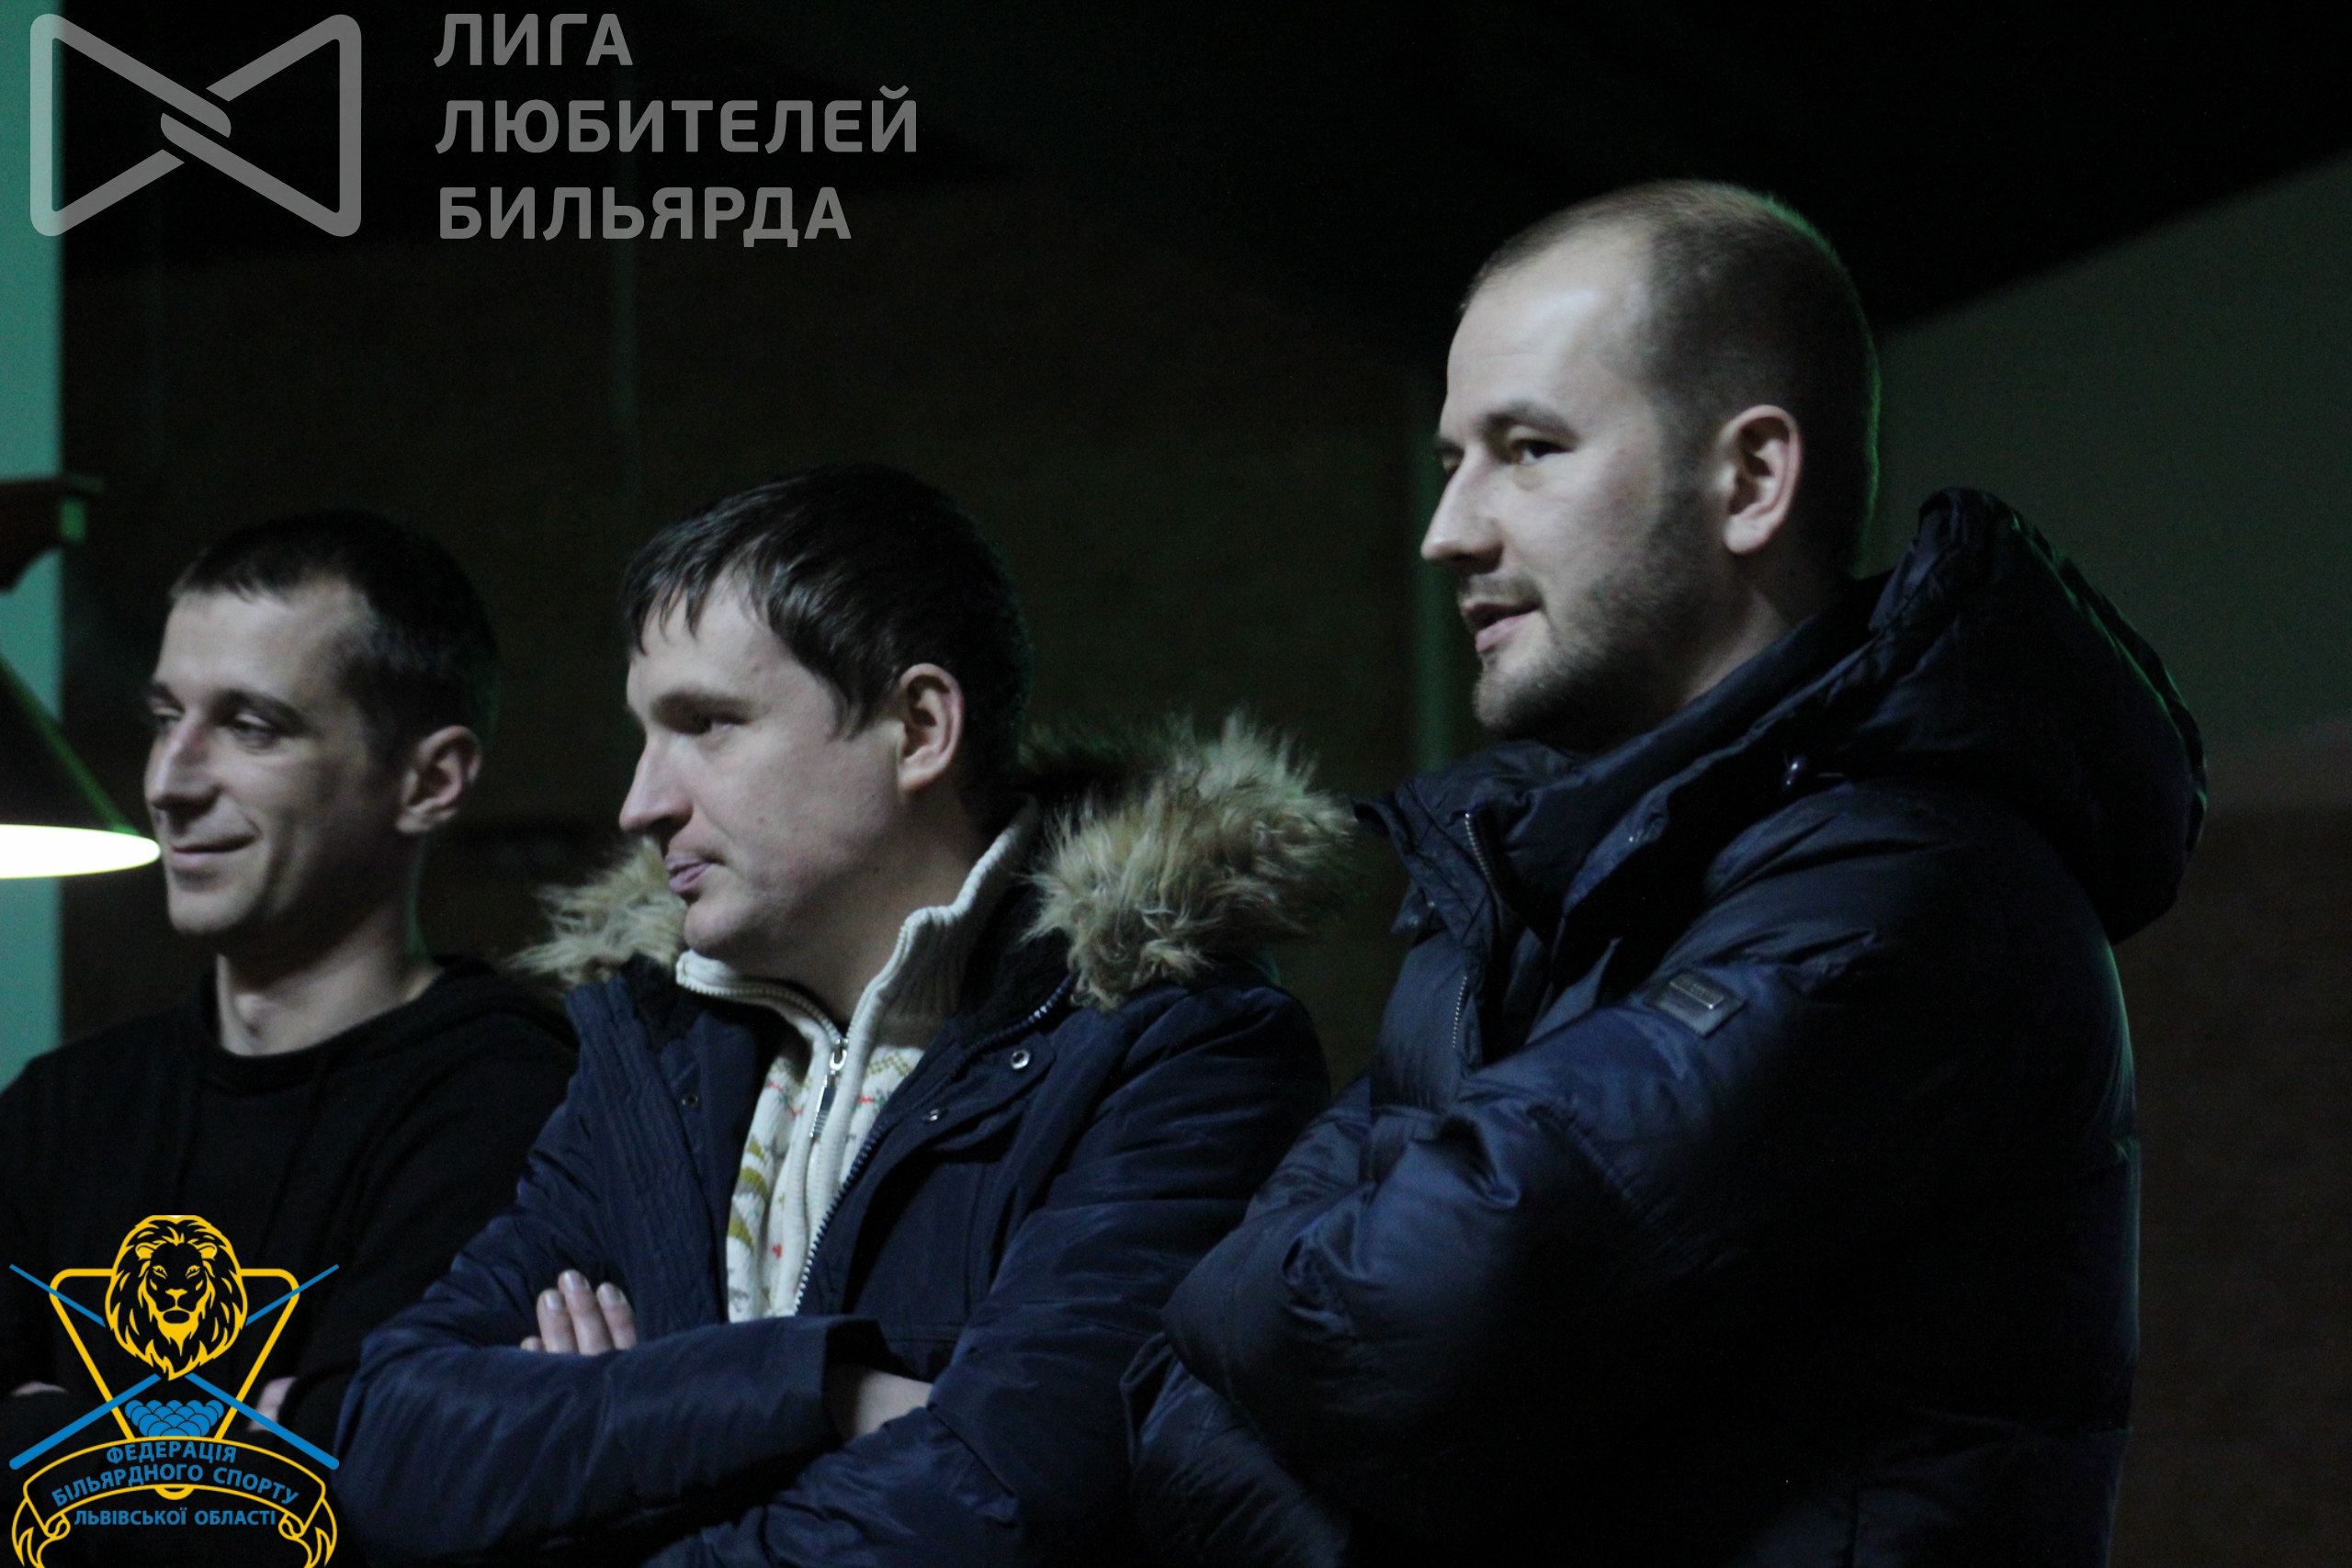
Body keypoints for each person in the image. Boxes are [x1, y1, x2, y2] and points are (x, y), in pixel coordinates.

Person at [1128, 181, 2206, 1566]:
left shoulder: (1906, 887)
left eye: (1527, 450)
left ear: (1750, 481)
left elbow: (1393, 1321)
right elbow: (1166, 1386)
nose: (1449, 529)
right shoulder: (1525, 889)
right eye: (1451, 459)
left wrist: (1267, 1301)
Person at [334, 465, 1347, 1566]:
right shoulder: (652, 1062)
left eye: (706, 725)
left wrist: (601, 1450)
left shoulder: (1173, 1051)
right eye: (647, 737)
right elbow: (388, 1448)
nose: (641, 803)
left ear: (917, 728)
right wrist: (820, 1389)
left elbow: (994, 1513)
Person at [0, 515, 576, 1501]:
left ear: (429, 781)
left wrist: (42, 1435)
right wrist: (250, 1450)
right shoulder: (64, 1106)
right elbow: (270, 1491)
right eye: (165, 718)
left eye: (251, 727)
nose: (169, 783)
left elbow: (355, 1510)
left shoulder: (516, 1106)